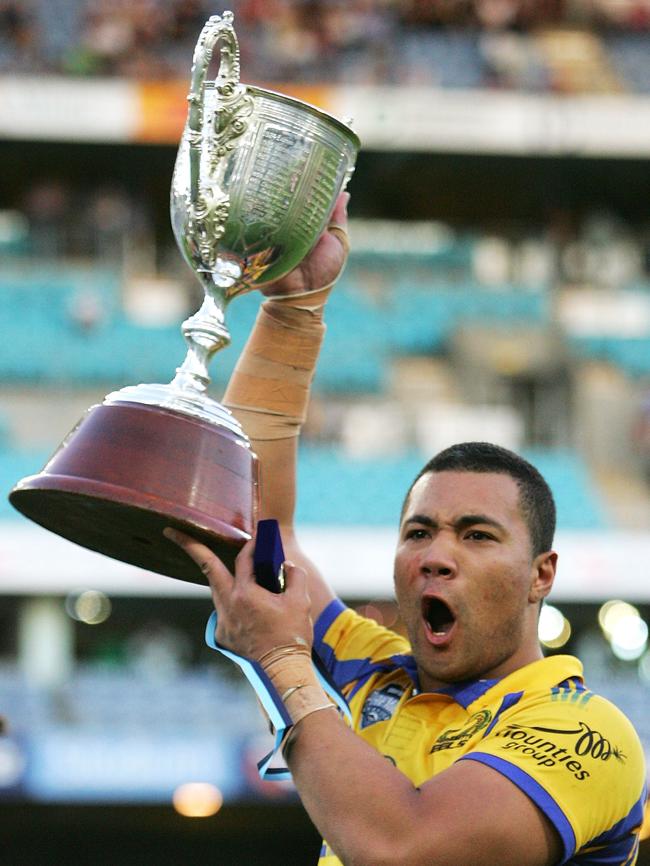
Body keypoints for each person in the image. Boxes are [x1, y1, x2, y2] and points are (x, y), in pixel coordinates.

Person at [165, 193, 647, 866]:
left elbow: (408, 849)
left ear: (542, 574)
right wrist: (292, 313)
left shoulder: (587, 731)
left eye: (477, 536)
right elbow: (253, 523)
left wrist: (283, 664)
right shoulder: (372, 668)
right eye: (418, 533)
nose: (436, 556)